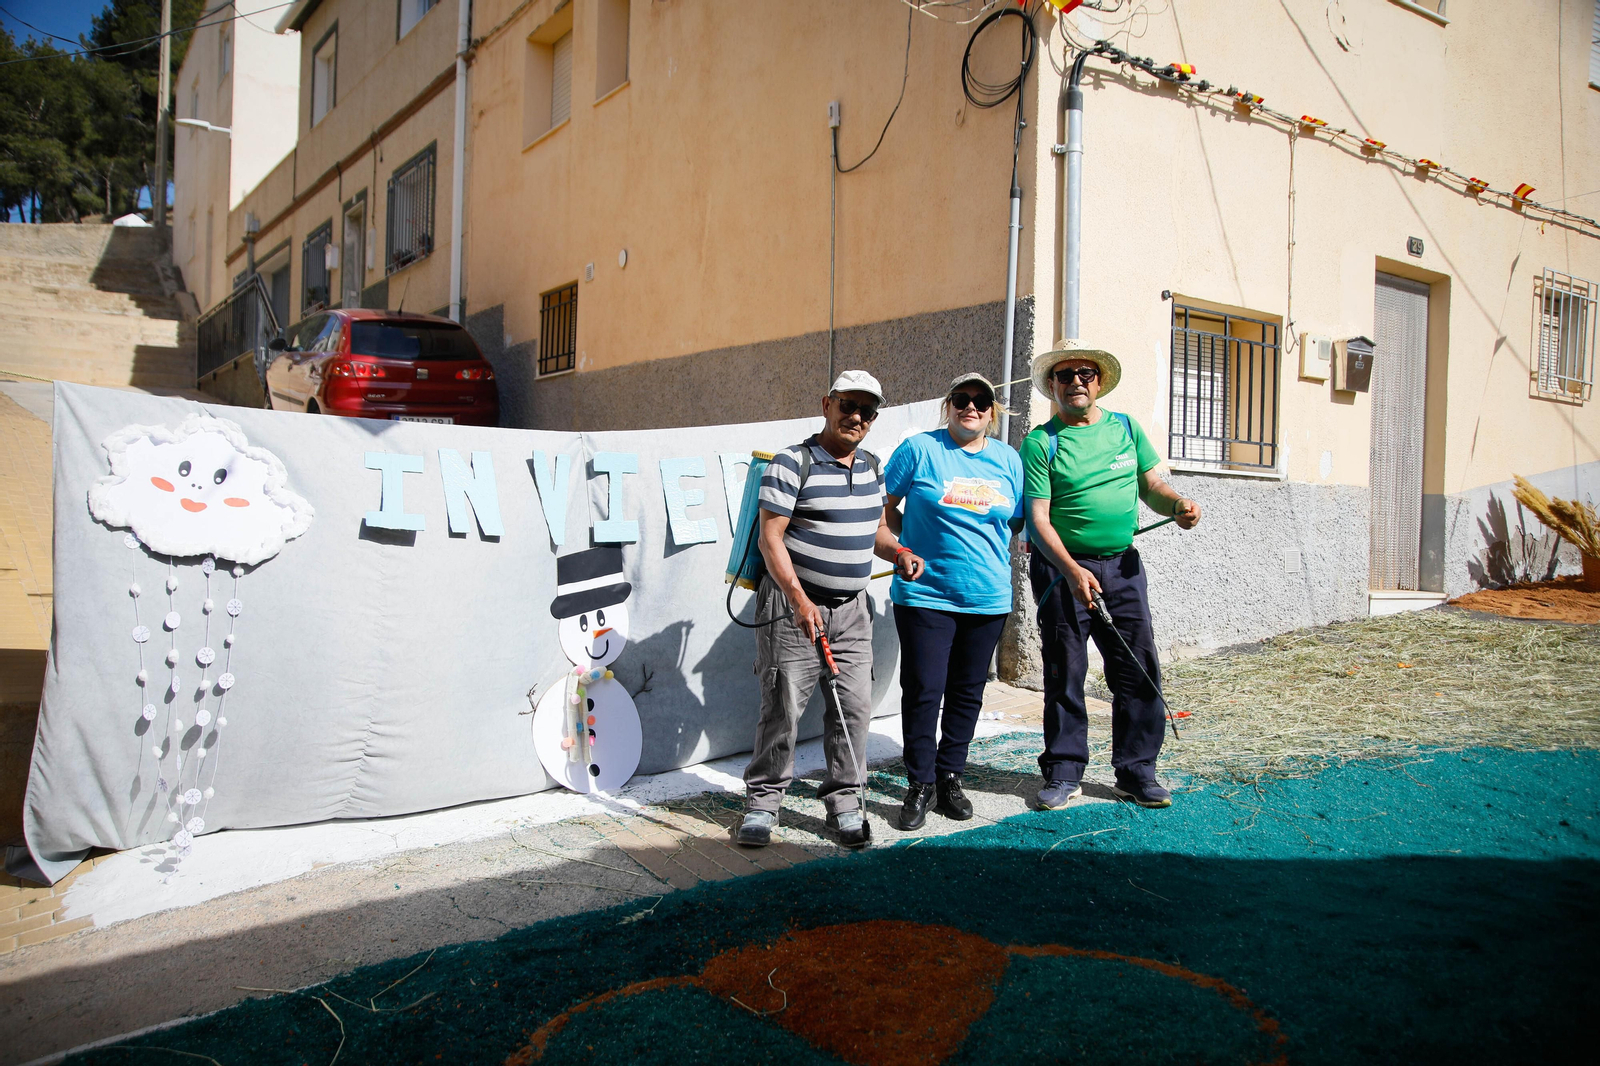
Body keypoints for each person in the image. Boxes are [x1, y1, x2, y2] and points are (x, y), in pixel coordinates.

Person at [737, 370, 925, 849]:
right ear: (827, 404)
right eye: (848, 405)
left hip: (852, 613)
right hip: (791, 609)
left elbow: (874, 533)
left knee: (853, 710)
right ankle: (763, 803)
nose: (856, 416)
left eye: (867, 410)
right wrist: (800, 600)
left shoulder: (872, 467)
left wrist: (899, 553)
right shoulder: (791, 463)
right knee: (782, 709)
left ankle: (844, 803)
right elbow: (770, 538)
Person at [1020, 341, 1201, 810]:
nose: (1075, 381)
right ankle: (1063, 772)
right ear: (1053, 386)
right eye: (1065, 375)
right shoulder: (1042, 442)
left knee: (1137, 668)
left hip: (1121, 568)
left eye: (1084, 373)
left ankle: (1137, 771)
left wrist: (1177, 505)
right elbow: (1038, 520)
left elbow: (1153, 485)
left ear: (1098, 382)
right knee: (1065, 672)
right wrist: (1073, 570)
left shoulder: (1126, 428)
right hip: (1062, 572)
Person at [883, 372, 1024, 830]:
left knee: (967, 693)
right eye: (961, 399)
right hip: (925, 594)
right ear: (949, 406)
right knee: (924, 690)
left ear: (992, 410)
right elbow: (879, 509)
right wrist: (903, 549)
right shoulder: (920, 450)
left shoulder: (1008, 460)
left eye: (981, 400)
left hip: (987, 598)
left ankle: (950, 778)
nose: (971, 407)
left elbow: (1014, 522)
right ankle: (919, 783)